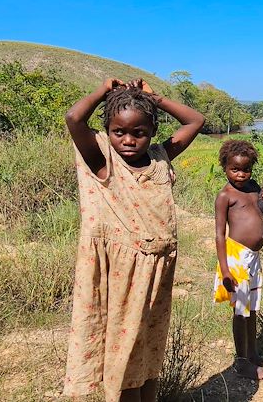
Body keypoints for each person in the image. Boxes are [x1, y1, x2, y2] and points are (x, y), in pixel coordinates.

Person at [63, 78, 205, 402]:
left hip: (157, 274)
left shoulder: (160, 157)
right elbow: (73, 119)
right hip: (123, 276)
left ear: (152, 131)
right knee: (125, 358)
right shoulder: (103, 161)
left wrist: (155, 98)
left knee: (149, 354)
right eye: (119, 132)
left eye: (139, 132)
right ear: (108, 131)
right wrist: (102, 90)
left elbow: (196, 121)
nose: (128, 140)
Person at [212, 140, 263, 380]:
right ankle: (241, 362)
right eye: (234, 169)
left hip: (253, 258)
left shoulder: (253, 188)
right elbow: (219, 234)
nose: (240, 174)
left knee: (252, 309)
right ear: (225, 167)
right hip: (236, 259)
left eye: (246, 169)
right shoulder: (225, 196)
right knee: (241, 312)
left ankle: (253, 354)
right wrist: (225, 270)